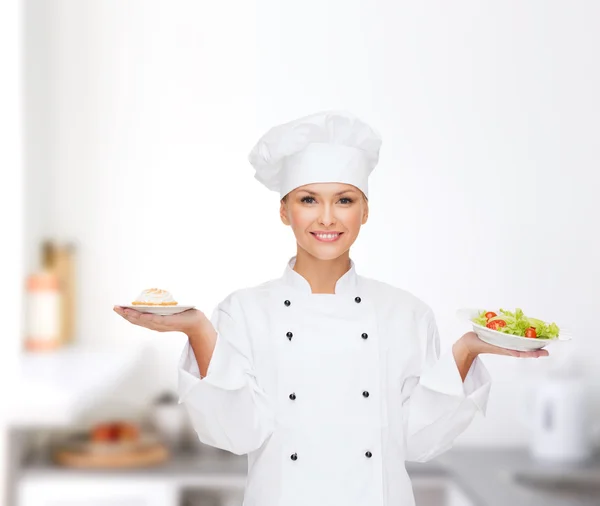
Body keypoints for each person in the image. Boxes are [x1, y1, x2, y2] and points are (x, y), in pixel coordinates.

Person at [114, 111, 548, 506]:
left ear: (365, 211)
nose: (327, 218)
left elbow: (417, 441)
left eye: (344, 200)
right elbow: (235, 433)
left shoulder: (406, 313)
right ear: (284, 211)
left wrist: (467, 350)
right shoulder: (243, 311)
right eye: (308, 200)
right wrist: (199, 331)